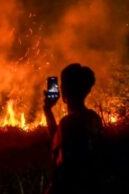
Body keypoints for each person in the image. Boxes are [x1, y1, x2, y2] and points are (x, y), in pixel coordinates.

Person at [43, 63, 103, 194]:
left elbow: (64, 167)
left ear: (64, 89)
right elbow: (57, 138)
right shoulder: (94, 118)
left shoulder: (69, 122)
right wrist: (48, 110)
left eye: (62, 84)